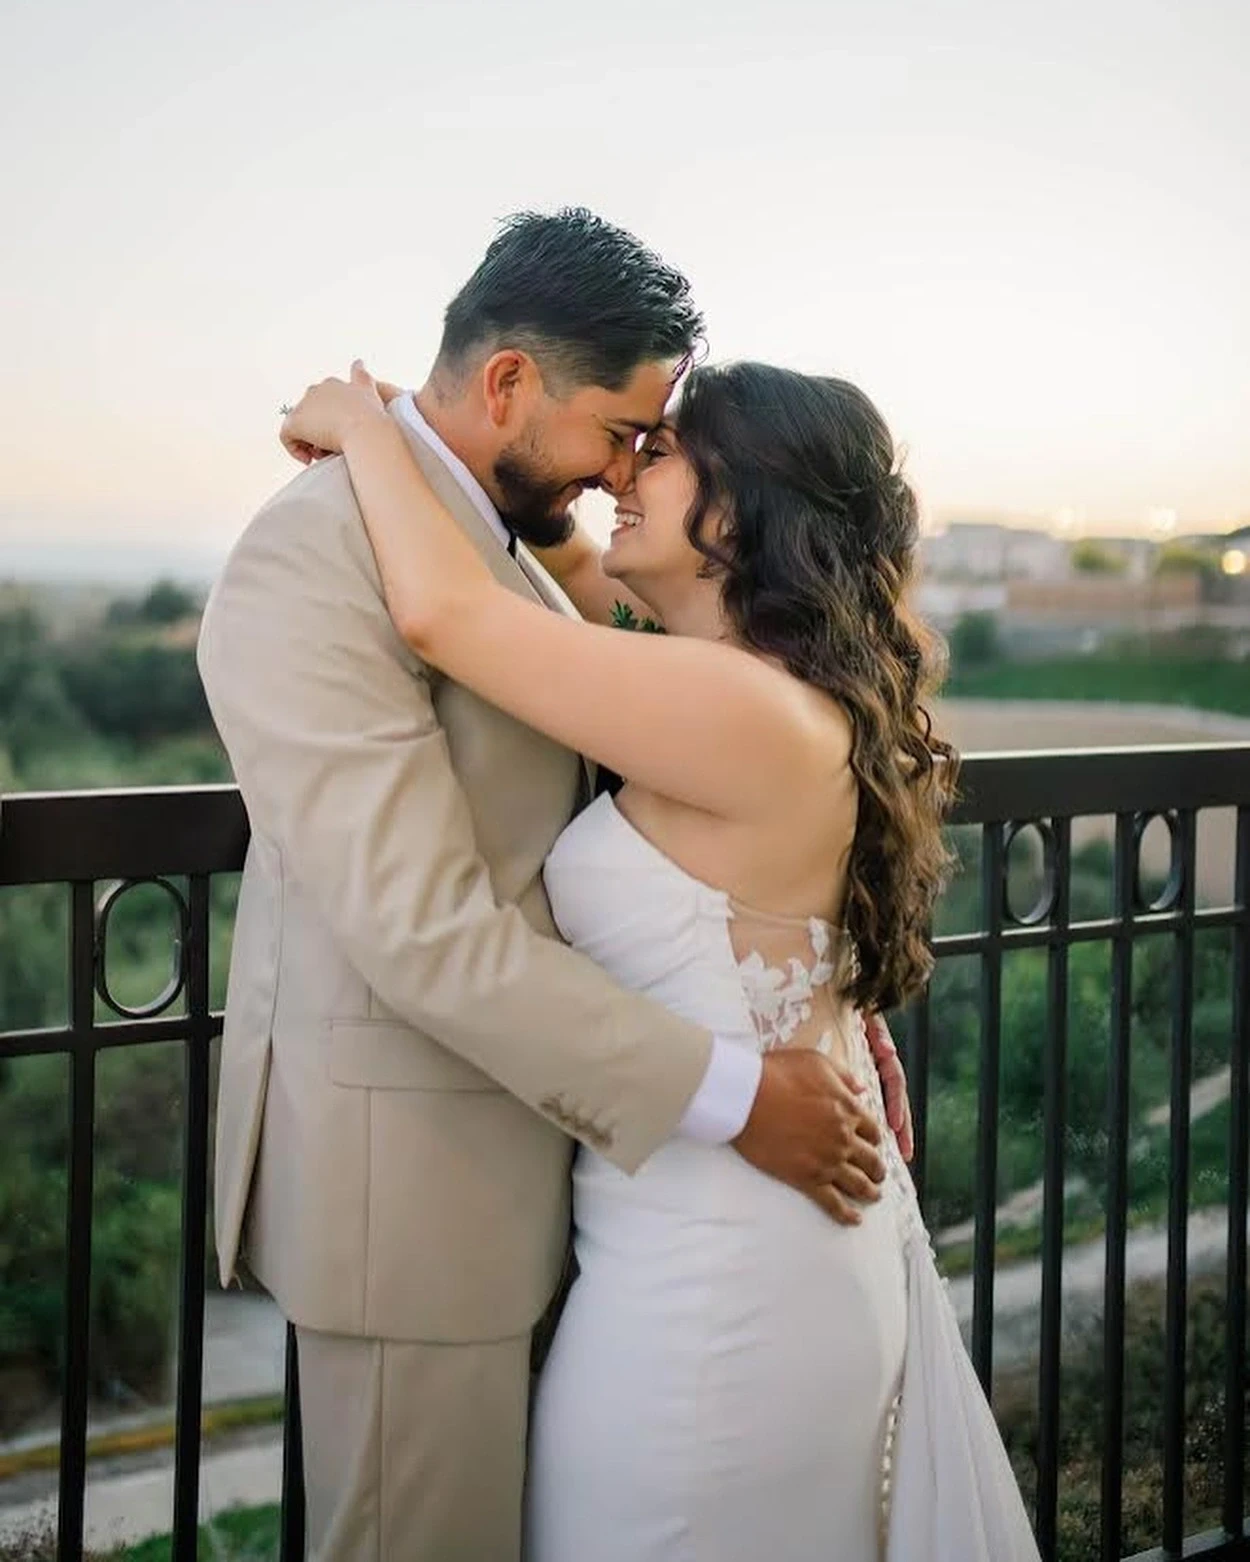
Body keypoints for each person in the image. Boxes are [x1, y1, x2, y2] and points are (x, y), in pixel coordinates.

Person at [198, 209, 912, 1562]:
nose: (623, 472)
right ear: (512, 384)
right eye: (623, 432)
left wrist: (809, 1008)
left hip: (583, 1178)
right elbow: (423, 931)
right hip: (420, 1199)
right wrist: (742, 1082)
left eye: (655, 449)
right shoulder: (321, 555)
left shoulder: (492, 555)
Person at [278, 351, 1045, 1562]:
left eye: (664, 448)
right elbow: (560, 566)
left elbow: (450, 612)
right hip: (728, 1233)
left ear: (735, 508)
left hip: (717, 1288)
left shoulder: (739, 707)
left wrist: (363, 429)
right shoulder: (753, 683)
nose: (627, 467)